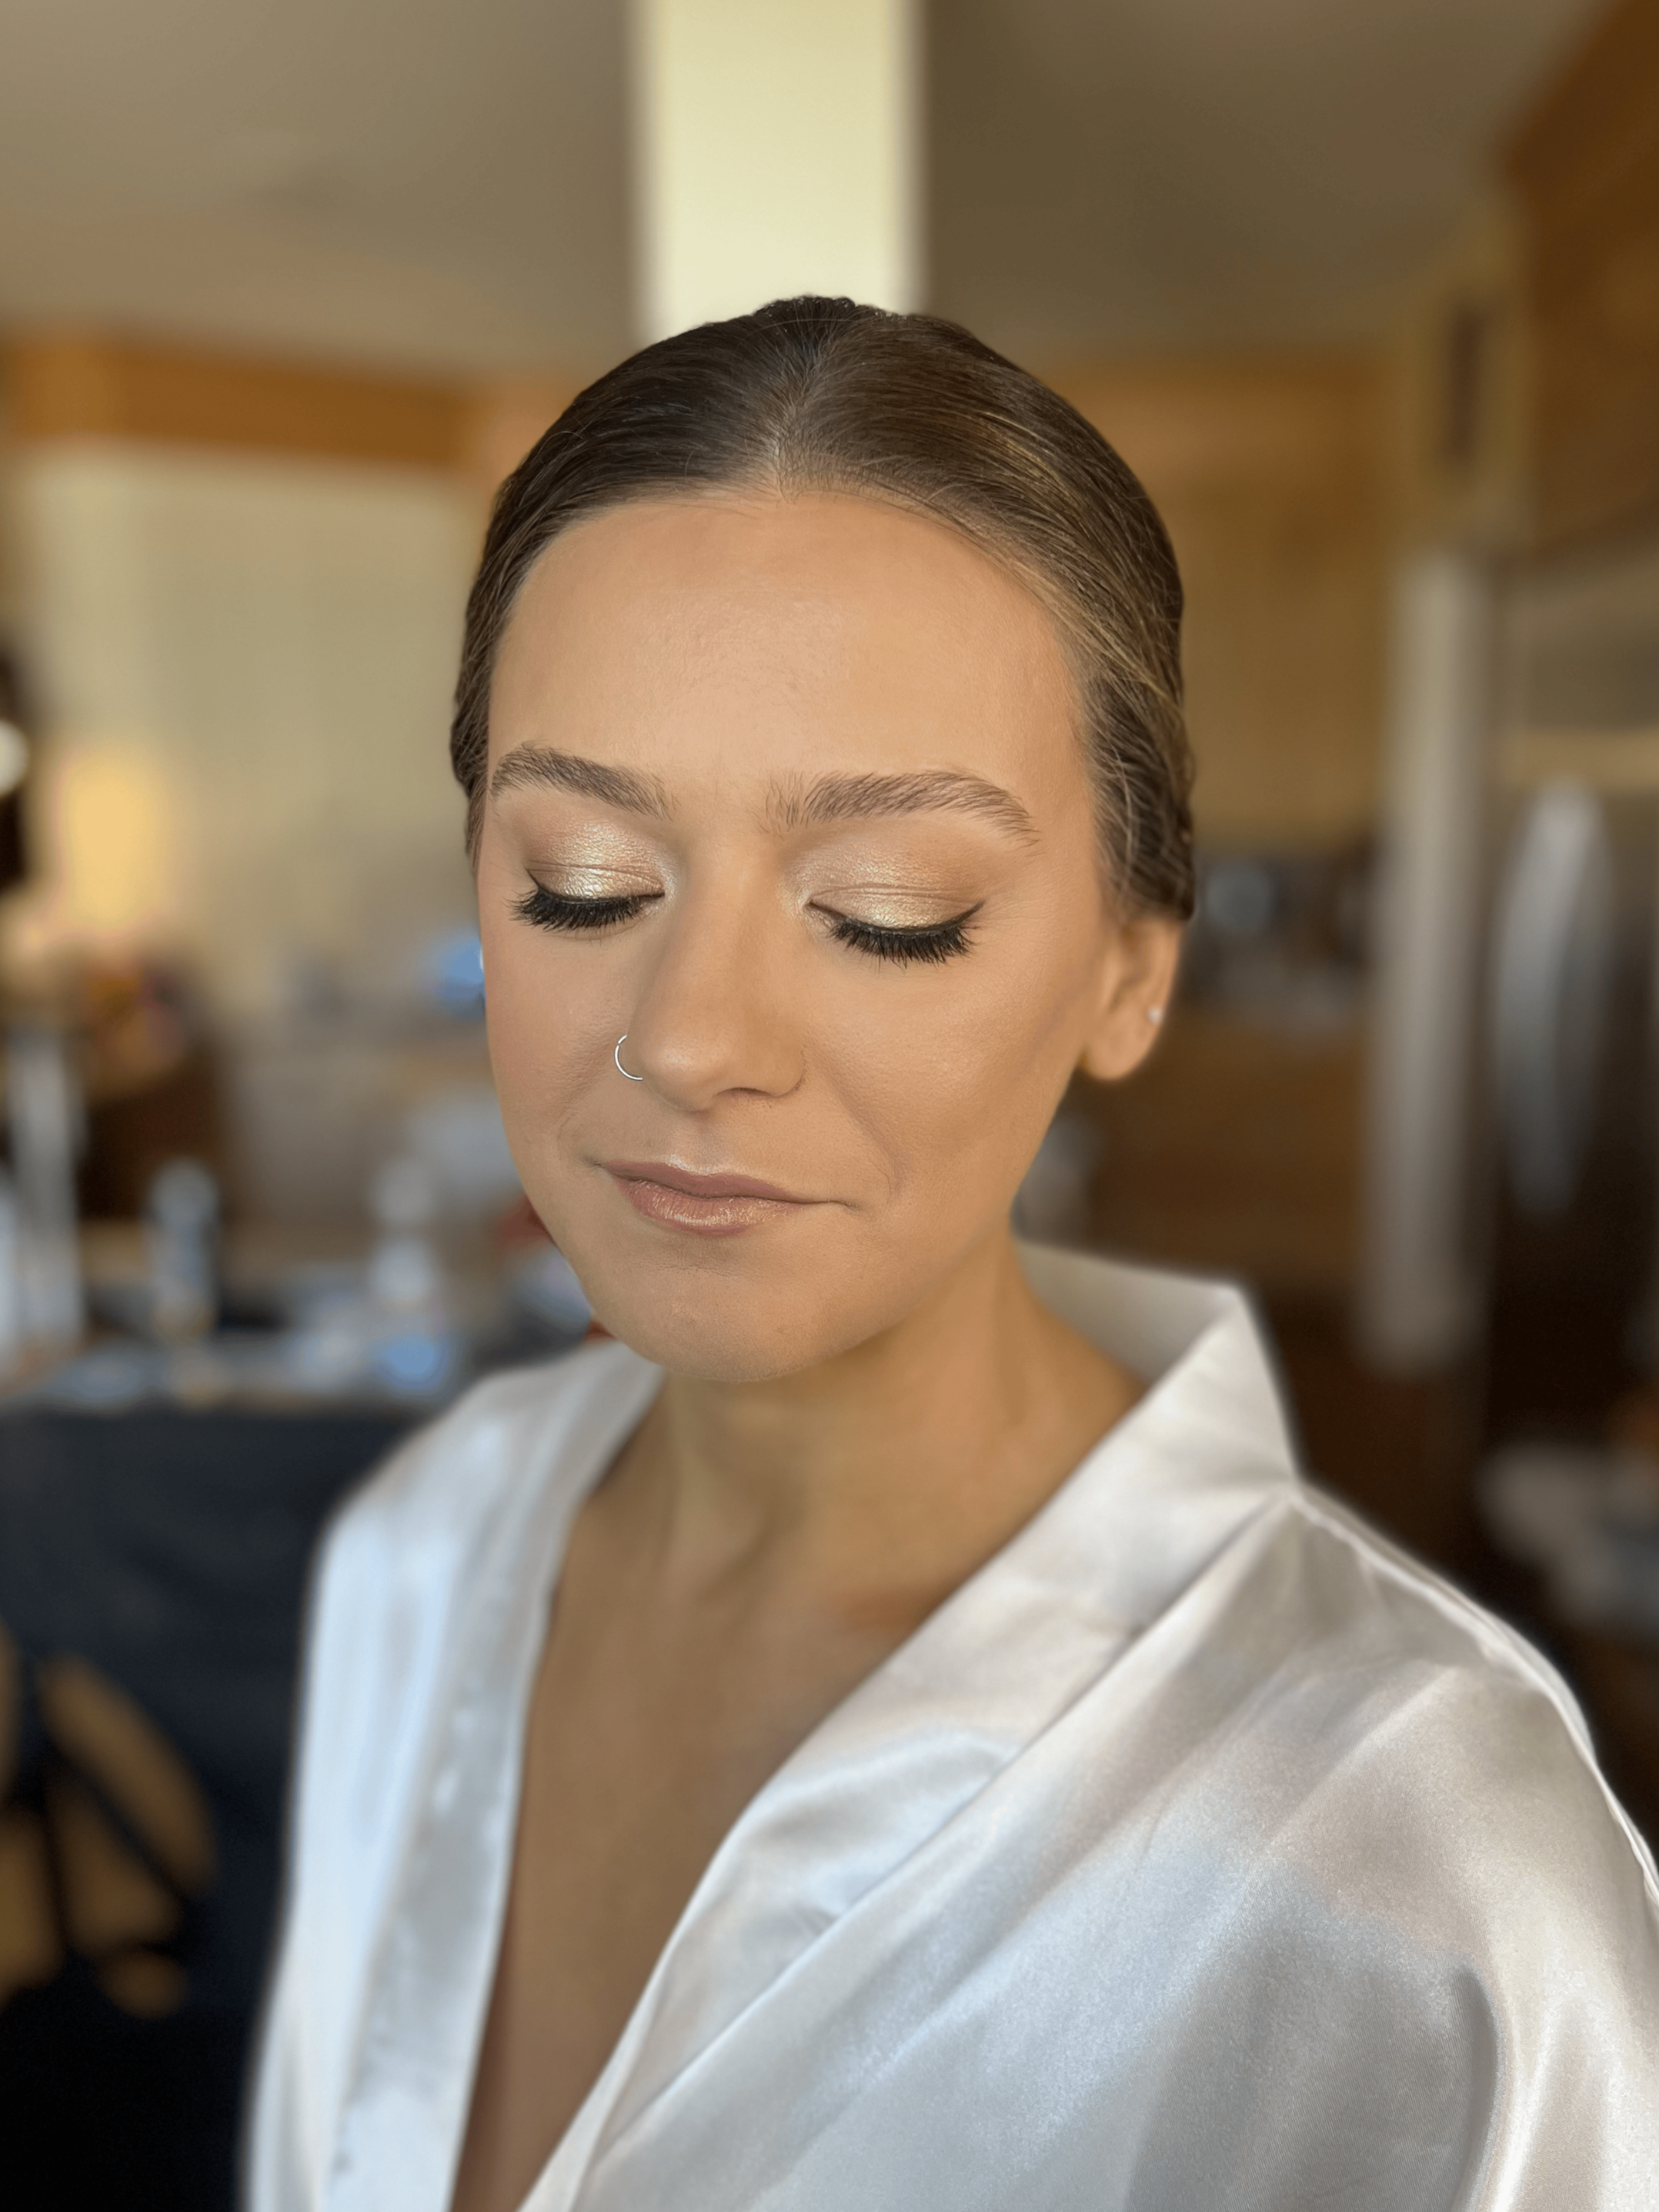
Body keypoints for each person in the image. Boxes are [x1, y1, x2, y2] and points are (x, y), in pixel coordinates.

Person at [249, 299, 1659, 2212]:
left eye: (885, 912)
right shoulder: (424, 1551)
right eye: (581, 881)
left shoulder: (1423, 1883)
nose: (687, 1037)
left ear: (1125, 972)